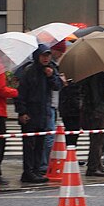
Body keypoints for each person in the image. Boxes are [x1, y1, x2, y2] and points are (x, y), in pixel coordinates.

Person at [15, 43, 63, 183]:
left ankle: (36, 170)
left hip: (43, 113)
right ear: (37, 56)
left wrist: (51, 76)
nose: (46, 58)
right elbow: (21, 94)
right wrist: (22, 112)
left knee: (40, 144)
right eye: (43, 55)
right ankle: (28, 171)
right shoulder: (29, 71)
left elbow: (57, 86)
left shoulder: (50, 69)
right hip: (30, 113)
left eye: (48, 55)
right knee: (29, 145)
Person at [40, 40, 66, 176]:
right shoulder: (44, 69)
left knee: (49, 136)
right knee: (48, 136)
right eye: (60, 51)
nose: (62, 54)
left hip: (53, 105)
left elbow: (56, 85)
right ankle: (44, 164)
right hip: (47, 105)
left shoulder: (53, 67)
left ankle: (44, 163)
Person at [80, 70, 104, 176]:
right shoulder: (98, 74)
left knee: (97, 139)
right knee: (97, 140)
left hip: (94, 109)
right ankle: (94, 166)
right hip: (98, 109)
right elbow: (100, 93)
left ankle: (97, 164)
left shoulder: (88, 73)